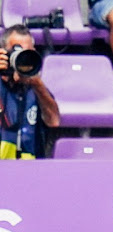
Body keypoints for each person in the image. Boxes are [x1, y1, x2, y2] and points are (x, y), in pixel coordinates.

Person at [0, 25, 60, 160]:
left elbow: (54, 121)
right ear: (4, 52)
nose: (22, 58)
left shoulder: (37, 88)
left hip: (31, 170)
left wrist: (36, 83)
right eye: (17, 51)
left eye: (27, 53)